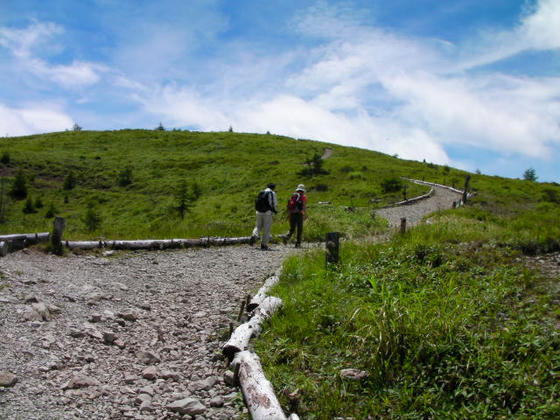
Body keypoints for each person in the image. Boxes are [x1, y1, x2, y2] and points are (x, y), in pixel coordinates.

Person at [252, 183, 278, 250]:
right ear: (273, 187)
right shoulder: (272, 193)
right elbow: (274, 204)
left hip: (258, 212)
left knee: (258, 226)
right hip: (267, 213)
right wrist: (274, 211)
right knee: (267, 229)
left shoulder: (262, 192)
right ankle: (264, 244)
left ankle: (254, 235)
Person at [284, 184, 307, 248]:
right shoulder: (303, 196)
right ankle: (298, 244)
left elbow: (289, 206)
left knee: (292, 229)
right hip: (299, 214)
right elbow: (304, 206)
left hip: (292, 214)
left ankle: (286, 238)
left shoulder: (293, 195)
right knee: (299, 229)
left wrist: (288, 214)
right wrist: (305, 214)